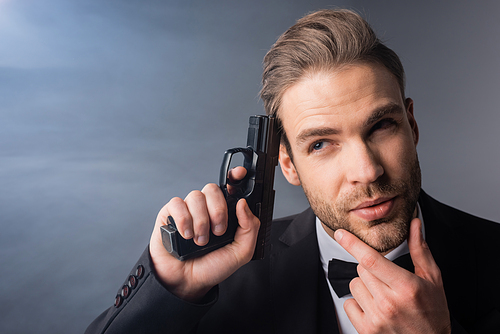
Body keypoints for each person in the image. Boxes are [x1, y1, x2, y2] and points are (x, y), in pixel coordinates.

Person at [86, 9, 500, 334]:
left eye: (381, 127)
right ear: (287, 163)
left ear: (411, 125)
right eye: (320, 144)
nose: (367, 171)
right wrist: (171, 289)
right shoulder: (224, 282)